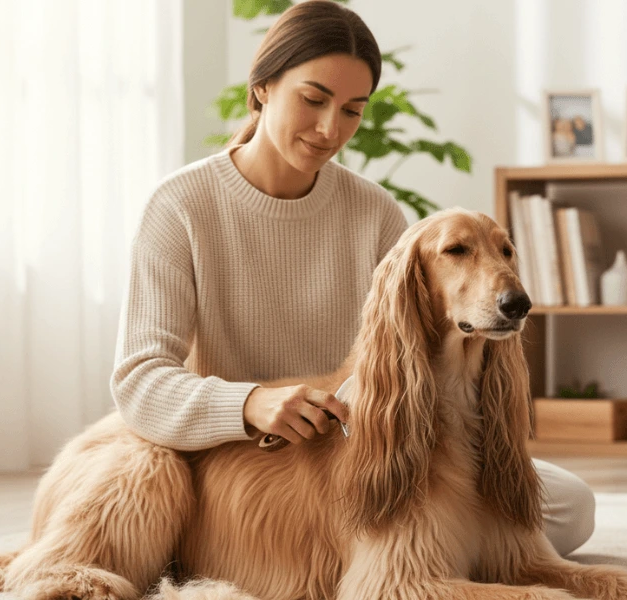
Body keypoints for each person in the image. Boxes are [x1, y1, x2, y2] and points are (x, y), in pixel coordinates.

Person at [110, 0, 595, 558]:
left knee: (568, 506)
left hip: (365, 454)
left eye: (352, 111)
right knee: (470, 539)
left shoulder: (375, 213)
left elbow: (419, 347)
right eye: (313, 99)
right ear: (264, 85)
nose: (328, 129)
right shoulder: (180, 206)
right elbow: (139, 384)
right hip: (238, 465)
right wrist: (249, 404)